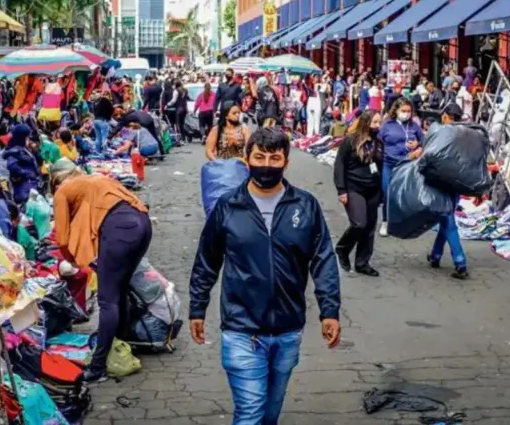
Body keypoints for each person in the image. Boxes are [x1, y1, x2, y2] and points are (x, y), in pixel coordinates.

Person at [189, 129, 341, 423]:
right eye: (259, 157)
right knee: (250, 414)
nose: (267, 165)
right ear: (246, 159)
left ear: (286, 163)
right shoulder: (228, 206)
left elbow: (323, 259)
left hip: (288, 330)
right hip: (241, 330)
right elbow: (207, 259)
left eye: (275, 158)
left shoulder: (305, 205)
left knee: (270, 414)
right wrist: (197, 306)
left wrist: (329, 310)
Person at [51, 163, 153, 383]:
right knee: (120, 288)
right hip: (143, 223)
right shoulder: (94, 179)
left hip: (121, 229)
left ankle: (98, 366)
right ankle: (122, 343)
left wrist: (71, 260)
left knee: (108, 299)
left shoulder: (62, 191)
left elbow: (61, 238)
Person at [334, 110, 383, 276]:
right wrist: (341, 190)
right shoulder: (350, 141)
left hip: (373, 189)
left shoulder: (378, 143)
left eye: (379, 123)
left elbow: (380, 167)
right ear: (366, 123)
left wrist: (381, 192)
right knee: (359, 223)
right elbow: (339, 165)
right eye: (375, 122)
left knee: (369, 227)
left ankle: (362, 262)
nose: (378, 126)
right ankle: (342, 249)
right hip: (353, 187)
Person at [425, 103, 469, 279]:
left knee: (448, 221)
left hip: (442, 181)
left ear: (444, 116)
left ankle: (460, 262)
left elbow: (430, 155)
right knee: (445, 218)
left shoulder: (442, 133)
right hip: (458, 182)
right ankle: (435, 255)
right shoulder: (466, 134)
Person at [377, 97, 424, 237]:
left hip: (407, 166)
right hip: (389, 164)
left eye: (409, 111)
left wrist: (418, 149)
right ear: (396, 110)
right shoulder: (387, 125)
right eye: (403, 111)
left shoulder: (414, 126)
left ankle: (403, 222)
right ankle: (386, 221)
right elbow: (378, 143)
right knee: (388, 193)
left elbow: (424, 142)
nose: (407, 113)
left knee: (405, 195)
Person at [2, 123, 42, 206]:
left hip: (31, 186)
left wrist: (34, 150)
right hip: (24, 191)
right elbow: (12, 166)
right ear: (21, 138)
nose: (29, 140)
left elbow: (39, 160)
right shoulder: (14, 151)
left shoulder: (25, 149)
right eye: (27, 137)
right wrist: (26, 174)